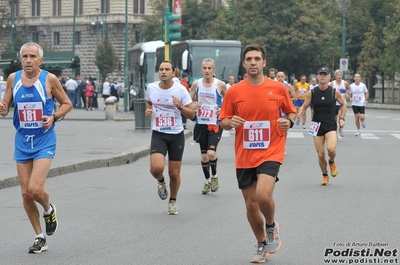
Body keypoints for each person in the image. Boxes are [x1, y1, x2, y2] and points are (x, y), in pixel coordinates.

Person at [219, 44, 296, 263]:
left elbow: (291, 111)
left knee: (263, 195)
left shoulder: (278, 88)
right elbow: (223, 120)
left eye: (257, 58)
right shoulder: (234, 91)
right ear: (244, 64)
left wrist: (288, 121)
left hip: (271, 149)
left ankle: (271, 226)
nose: (253, 62)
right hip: (245, 153)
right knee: (251, 204)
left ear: (264, 62)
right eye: (249, 59)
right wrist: (229, 122)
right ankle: (261, 244)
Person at [0, 42, 72, 253]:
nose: (28, 60)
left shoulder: (49, 79)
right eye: (25, 56)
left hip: (43, 140)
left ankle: (49, 210)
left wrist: (54, 117)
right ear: (20, 59)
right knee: (25, 194)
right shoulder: (13, 78)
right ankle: (40, 237)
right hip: (22, 140)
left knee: (35, 189)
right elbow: (4, 108)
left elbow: (67, 103)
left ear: (40, 60)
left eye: (32, 56)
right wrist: (2, 108)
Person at [145, 61, 195, 215]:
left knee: (174, 173)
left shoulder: (180, 90)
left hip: (176, 135)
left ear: (173, 72)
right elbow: (149, 102)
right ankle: (160, 181)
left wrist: (179, 106)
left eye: (167, 69)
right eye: (161, 69)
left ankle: (173, 201)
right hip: (159, 133)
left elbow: (192, 115)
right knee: (156, 168)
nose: (164, 72)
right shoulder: (151, 88)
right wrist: (149, 110)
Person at [296, 67, 347, 186]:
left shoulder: (334, 92)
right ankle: (324, 175)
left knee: (331, 149)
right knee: (320, 154)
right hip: (316, 124)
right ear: (317, 77)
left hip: (330, 124)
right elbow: (304, 105)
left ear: (329, 77)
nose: (323, 76)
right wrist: (301, 111)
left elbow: (343, 105)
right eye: (320, 74)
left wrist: (342, 118)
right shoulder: (312, 92)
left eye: (325, 74)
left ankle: (332, 161)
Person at [190, 58, 227, 195]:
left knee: (211, 153)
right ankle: (207, 181)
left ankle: (215, 176)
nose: (207, 71)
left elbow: (229, 101)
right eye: (204, 68)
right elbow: (189, 101)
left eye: (209, 68)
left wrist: (222, 109)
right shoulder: (196, 84)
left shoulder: (220, 85)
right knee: (204, 156)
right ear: (201, 70)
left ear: (214, 70)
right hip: (201, 123)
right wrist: (193, 106)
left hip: (215, 123)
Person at [330, 70, 350, 137]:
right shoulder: (332, 83)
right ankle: (335, 132)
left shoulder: (345, 83)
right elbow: (328, 91)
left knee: (341, 118)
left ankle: (341, 128)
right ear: (335, 76)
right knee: (334, 119)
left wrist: (347, 93)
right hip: (334, 103)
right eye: (338, 75)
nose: (339, 76)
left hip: (342, 103)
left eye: (340, 75)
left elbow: (349, 88)